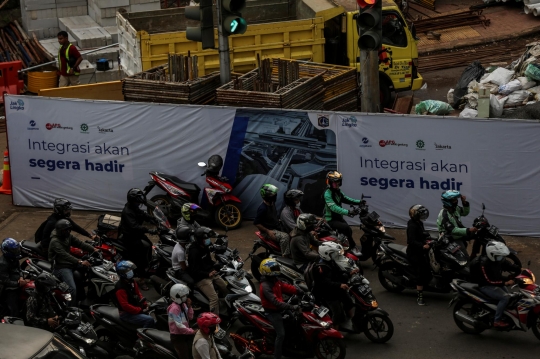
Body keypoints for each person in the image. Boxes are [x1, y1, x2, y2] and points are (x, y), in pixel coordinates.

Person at [259, 258, 302, 359]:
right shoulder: (265, 286)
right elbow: (276, 302)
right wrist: (291, 307)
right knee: (281, 334)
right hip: (272, 312)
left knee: (294, 321)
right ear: (266, 271)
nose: (277, 270)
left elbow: (285, 286)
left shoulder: (274, 280)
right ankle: (277, 356)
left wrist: (299, 291)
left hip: (280, 307)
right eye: (274, 268)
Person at [470, 242, 520, 328]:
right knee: (505, 298)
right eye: (499, 256)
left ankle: (501, 313)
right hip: (485, 285)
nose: (501, 258)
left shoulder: (499, 259)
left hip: (496, 282)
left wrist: (520, 270)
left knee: (510, 297)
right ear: (492, 254)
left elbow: (509, 265)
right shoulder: (484, 264)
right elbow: (489, 281)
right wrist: (505, 283)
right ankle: (497, 321)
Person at [48, 219, 98, 305]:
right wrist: (80, 261)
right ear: (60, 231)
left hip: (69, 262)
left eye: (69, 230)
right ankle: (70, 309)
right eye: (66, 230)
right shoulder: (55, 241)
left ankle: (83, 297)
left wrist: (94, 249)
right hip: (61, 266)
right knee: (72, 289)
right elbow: (64, 255)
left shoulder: (67, 236)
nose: (68, 231)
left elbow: (80, 243)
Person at [118, 188, 157, 290]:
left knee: (148, 245)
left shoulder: (134, 208)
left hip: (137, 234)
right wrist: (149, 230)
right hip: (130, 237)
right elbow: (135, 227)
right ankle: (141, 279)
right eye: (137, 201)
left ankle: (147, 267)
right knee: (140, 256)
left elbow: (142, 214)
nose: (138, 204)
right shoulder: (127, 211)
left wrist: (152, 218)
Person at [312, 242, 355, 330]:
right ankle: (335, 330)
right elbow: (325, 283)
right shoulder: (321, 267)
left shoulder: (331, 262)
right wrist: (340, 285)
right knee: (337, 312)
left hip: (336, 287)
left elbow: (337, 272)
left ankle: (352, 320)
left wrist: (349, 273)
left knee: (349, 302)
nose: (336, 255)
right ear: (326, 254)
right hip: (327, 293)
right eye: (333, 254)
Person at [187, 227, 228, 315]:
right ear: (200, 240)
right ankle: (214, 319)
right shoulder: (194, 252)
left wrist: (216, 266)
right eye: (206, 239)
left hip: (211, 273)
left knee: (225, 288)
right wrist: (207, 273)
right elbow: (194, 271)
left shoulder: (205, 247)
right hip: (201, 278)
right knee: (214, 298)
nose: (208, 240)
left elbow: (208, 261)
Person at [323, 171, 362, 249]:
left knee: (349, 230)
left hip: (338, 218)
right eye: (335, 182)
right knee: (346, 228)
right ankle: (352, 247)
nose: (337, 183)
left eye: (338, 181)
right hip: (330, 220)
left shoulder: (338, 191)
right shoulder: (327, 193)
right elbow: (334, 207)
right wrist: (348, 212)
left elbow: (346, 199)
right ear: (329, 182)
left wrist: (359, 202)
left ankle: (346, 245)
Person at [114, 260, 155, 328]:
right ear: (122, 273)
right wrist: (139, 309)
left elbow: (138, 293)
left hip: (136, 307)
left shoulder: (132, 281)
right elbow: (125, 306)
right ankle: (143, 337)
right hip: (126, 313)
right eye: (127, 271)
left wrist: (145, 304)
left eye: (130, 270)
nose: (130, 272)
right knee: (149, 320)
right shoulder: (120, 288)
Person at [254, 184, 291, 257]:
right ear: (267, 196)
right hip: (268, 231)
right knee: (285, 237)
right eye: (272, 194)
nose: (275, 195)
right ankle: (285, 256)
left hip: (275, 226)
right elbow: (256, 223)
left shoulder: (272, 203)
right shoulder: (262, 208)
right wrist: (268, 231)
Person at [436, 190, 476, 259]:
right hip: (450, 238)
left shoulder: (455, 208)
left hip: (457, 235)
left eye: (456, 199)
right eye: (453, 200)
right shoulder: (444, 214)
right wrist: (468, 230)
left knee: (477, 235)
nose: (456, 201)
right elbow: (453, 230)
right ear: (447, 201)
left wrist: (464, 202)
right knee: (464, 257)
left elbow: (464, 213)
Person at [406, 204, 432, 306]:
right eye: (421, 214)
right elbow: (411, 241)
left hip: (421, 250)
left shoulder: (419, 223)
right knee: (420, 274)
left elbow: (422, 234)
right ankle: (419, 297)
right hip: (414, 252)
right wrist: (422, 246)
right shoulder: (412, 226)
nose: (423, 216)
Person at [0, 238, 27, 317]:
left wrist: (21, 277)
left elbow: (20, 269)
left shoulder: (15, 258)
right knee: (14, 308)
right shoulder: (2, 263)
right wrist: (18, 283)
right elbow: (5, 281)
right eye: (14, 250)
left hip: (18, 282)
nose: (16, 251)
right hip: (8, 288)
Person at [168, 284, 195, 359]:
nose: (186, 297)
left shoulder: (183, 305)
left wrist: (189, 307)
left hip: (185, 333)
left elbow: (190, 317)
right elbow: (179, 325)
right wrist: (191, 331)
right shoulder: (174, 309)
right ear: (177, 297)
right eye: (184, 296)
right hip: (178, 337)